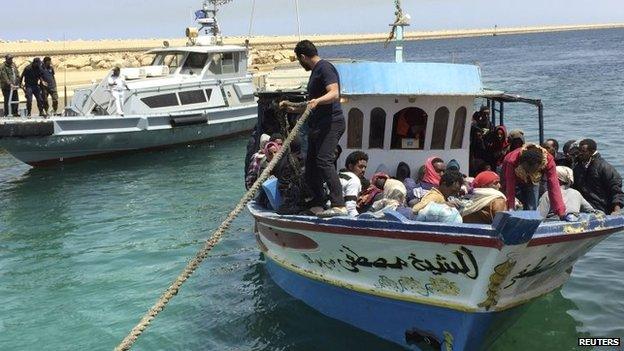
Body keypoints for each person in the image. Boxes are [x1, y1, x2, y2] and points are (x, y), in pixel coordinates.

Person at [280, 40, 346, 217]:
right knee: (310, 168)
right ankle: (318, 203)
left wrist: (317, 101)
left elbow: (334, 93)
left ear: (303, 57)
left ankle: (339, 204)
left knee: (324, 161)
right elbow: (312, 105)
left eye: (299, 60)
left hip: (331, 123)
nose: (300, 64)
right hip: (318, 125)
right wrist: (292, 108)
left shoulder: (324, 68)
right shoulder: (315, 72)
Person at [502, 144, 565, 218]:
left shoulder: (548, 161)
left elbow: (554, 186)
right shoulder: (512, 160)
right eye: (527, 170)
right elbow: (510, 187)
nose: (529, 173)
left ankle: (530, 221)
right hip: (512, 175)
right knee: (509, 206)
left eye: (532, 171)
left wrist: (560, 211)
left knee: (532, 208)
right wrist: (511, 209)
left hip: (534, 180)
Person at [573, 139, 624, 215]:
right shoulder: (578, 167)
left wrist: (617, 210)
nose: (580, 153)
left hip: (602, 208)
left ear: (592, 151)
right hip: (584, 209)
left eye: (583, 151)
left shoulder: (604, 167)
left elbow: (616, 189)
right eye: (579, 150)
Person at [340, 151, 368, 216]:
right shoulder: (354, 180)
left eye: (365, 167)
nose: (363, 170)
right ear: (350, 166)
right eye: (360, 167)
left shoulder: (337, 176)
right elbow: (350, 208)